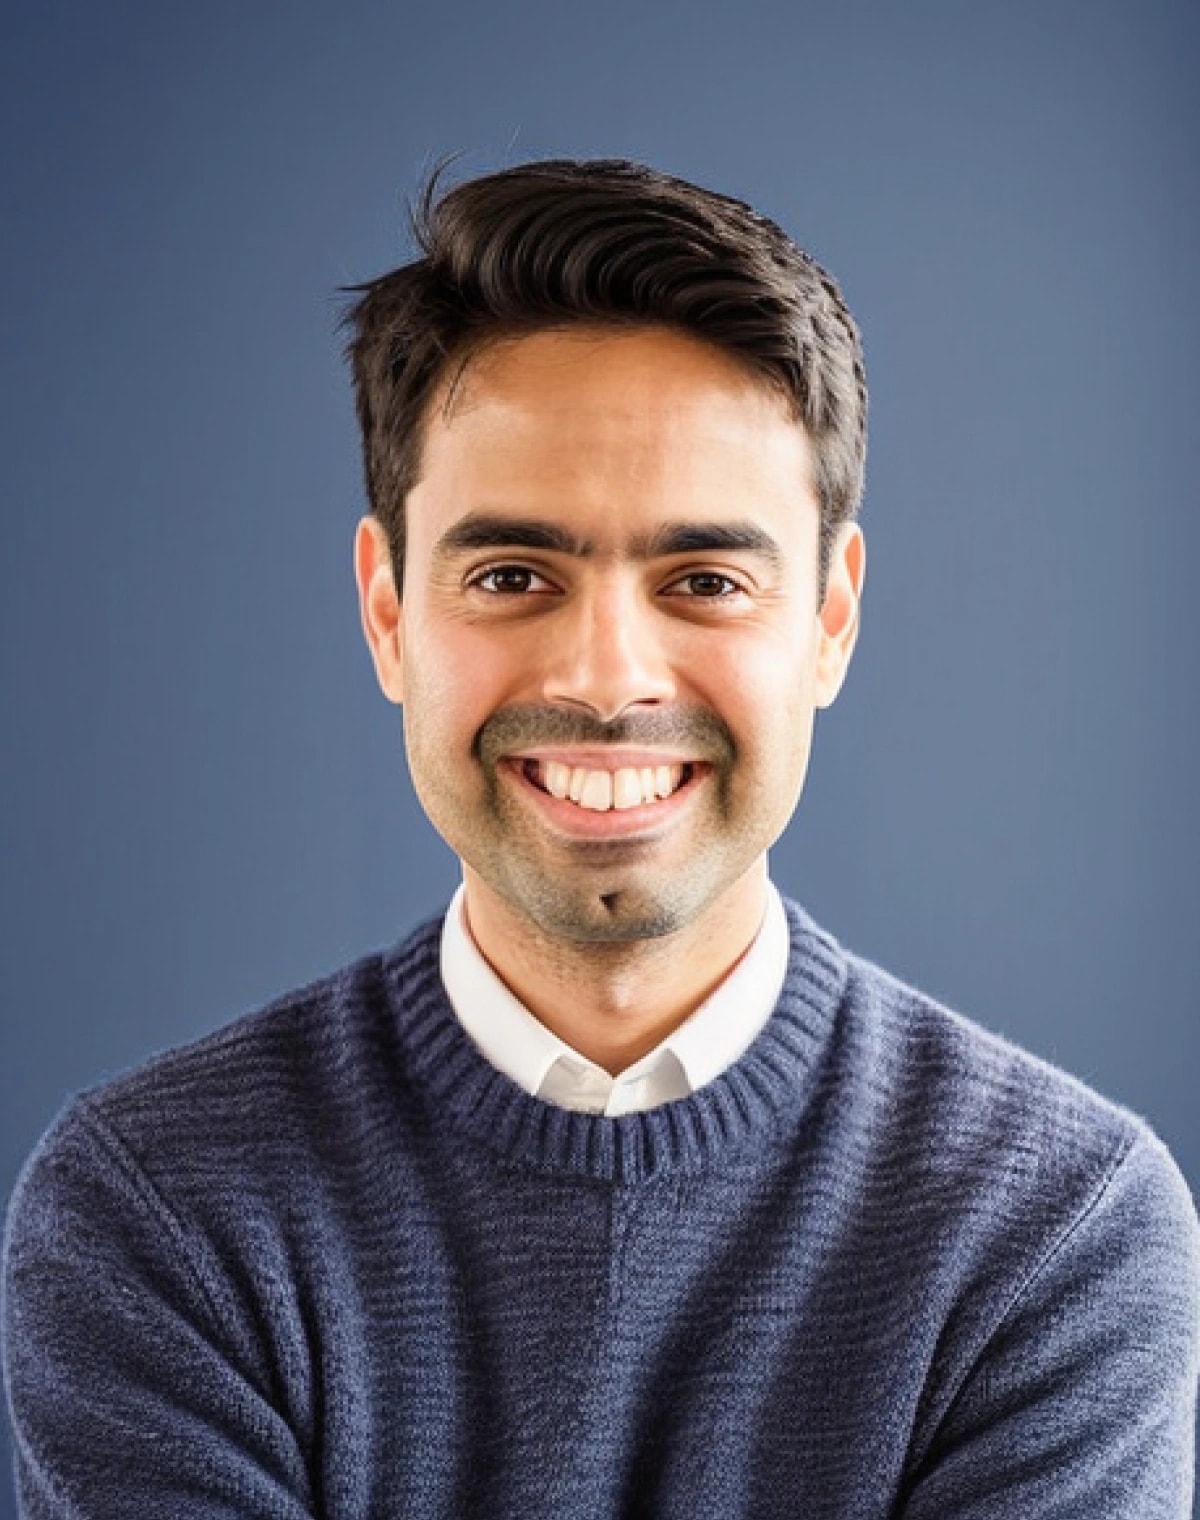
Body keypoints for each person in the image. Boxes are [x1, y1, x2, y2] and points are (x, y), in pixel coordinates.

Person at [3, 158, 1198, 1519]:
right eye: (514, 576)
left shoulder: (1055, 1226)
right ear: (388, 611)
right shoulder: (159, 1210)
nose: (612, 676)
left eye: (704, 580)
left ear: (831, 619)